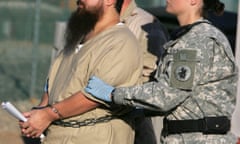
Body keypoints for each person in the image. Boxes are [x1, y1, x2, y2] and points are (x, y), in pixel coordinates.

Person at [85, 0, 238, 143]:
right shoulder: (191, 37)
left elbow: (166, 96)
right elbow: (183, 101)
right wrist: (134, 110)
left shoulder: (196, 40)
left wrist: (113, 94)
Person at [19, 0, 144, 144]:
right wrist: (38, 112)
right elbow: (53, 83)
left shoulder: (121, 41)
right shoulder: (78, 38)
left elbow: (93, 96)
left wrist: (48, 114)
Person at [119, 1, 169, 144]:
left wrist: (113, 92)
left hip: (132, 128)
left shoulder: (146, 24)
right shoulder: (94, 23)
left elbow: (153, 79)